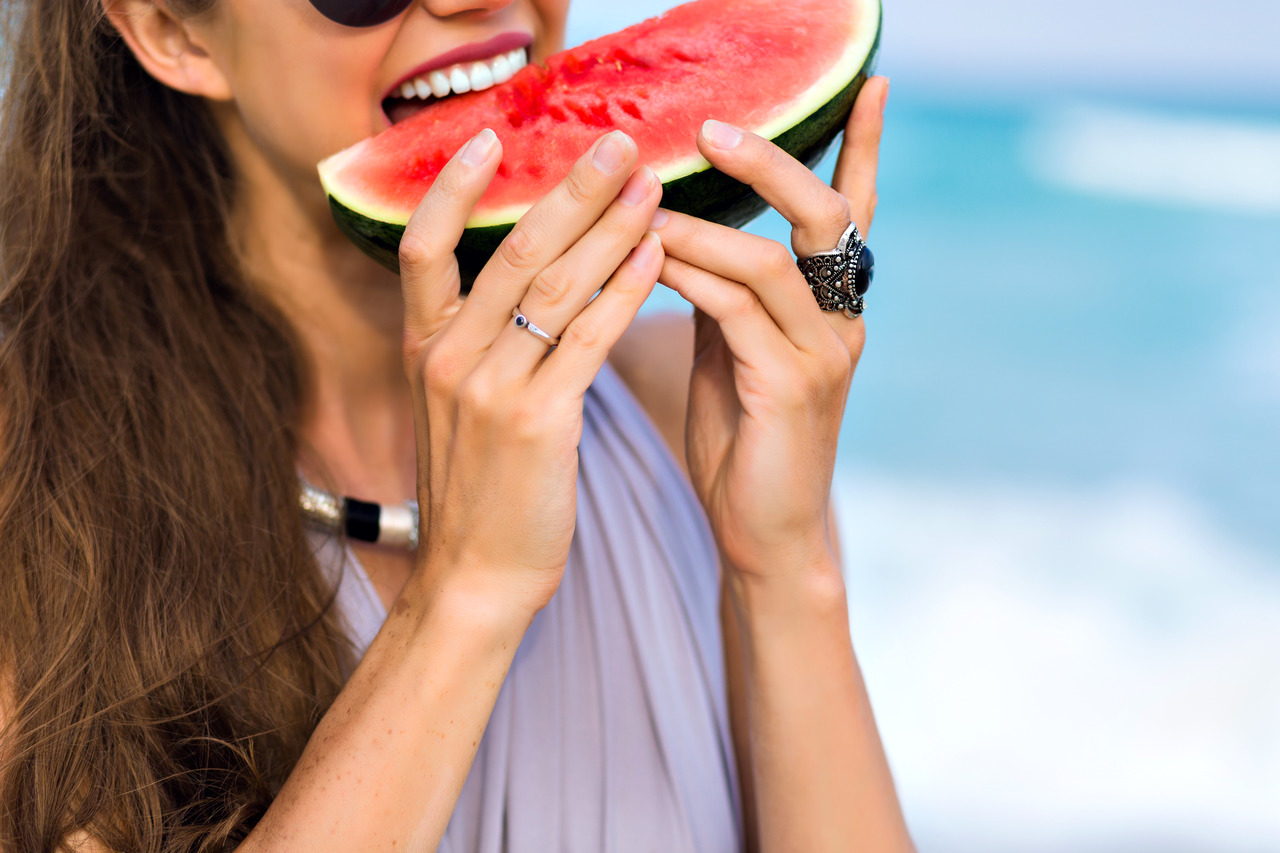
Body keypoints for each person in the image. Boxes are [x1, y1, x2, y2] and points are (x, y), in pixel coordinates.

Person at [0, 0, 912, 850]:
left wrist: (787, 569)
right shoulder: (33, 504)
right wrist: (465, 593)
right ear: (175, 31)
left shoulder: (689, 410)